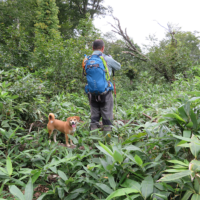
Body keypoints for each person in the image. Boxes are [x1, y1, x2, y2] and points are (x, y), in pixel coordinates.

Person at [89, 39, 121, 138]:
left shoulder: (87, 59)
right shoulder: (106, 59)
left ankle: (94, 143)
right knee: (107, 119)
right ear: (103, 48)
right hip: (105, 93)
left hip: (91, 93)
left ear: (92, 48)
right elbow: (118, 67)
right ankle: (107, 144)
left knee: (94, 118)